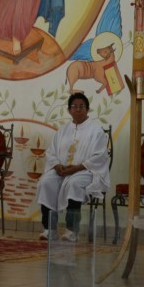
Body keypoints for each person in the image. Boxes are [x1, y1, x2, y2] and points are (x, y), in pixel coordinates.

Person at [35, 92, 109, 242]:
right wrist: (56, 166)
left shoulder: (96, 130)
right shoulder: (62, 130)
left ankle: (71, 231)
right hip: (62, 170)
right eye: (74, 107)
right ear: (69, 110)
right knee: (45, 182)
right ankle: (50, 229)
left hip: (85, 171)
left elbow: (100, 156)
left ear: (87, 109)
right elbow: (51, 152)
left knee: (74, 184)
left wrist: (76, 168)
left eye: (81, 106)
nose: (78, 109)